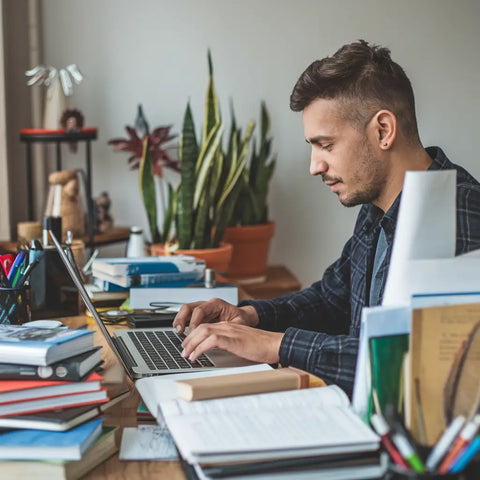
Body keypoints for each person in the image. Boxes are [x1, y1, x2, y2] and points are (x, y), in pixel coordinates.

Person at [173, 40, 480, 396]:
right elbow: (332, 298)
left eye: (327, 145)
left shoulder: (460, 216)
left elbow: (414, 367)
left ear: (383, 130)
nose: (314, 166)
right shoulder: (378, 203)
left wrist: (275, 345)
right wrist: (248, 317)